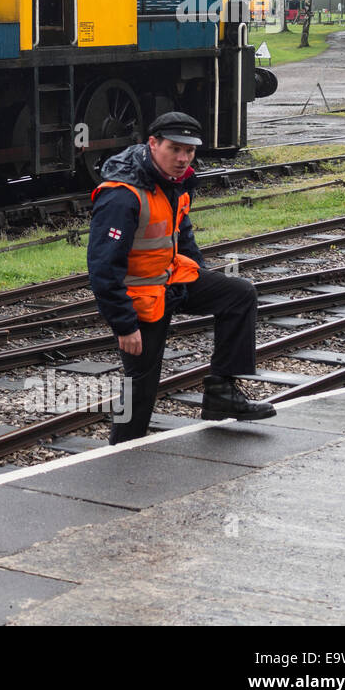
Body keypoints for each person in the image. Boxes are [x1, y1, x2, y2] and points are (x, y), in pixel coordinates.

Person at [87, 112, 276, 444]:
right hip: (141, 299)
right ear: (153, 144)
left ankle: (221, 392)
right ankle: (120, 450)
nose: (183, 158)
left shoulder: (176, 182)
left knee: (238, 294)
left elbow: (182, 237)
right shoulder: (122, 196)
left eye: (189, 151)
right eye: (174, 149)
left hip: (172, 281)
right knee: (141, 388)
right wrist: (124, 325)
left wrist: (202, 281)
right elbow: (103, 268)